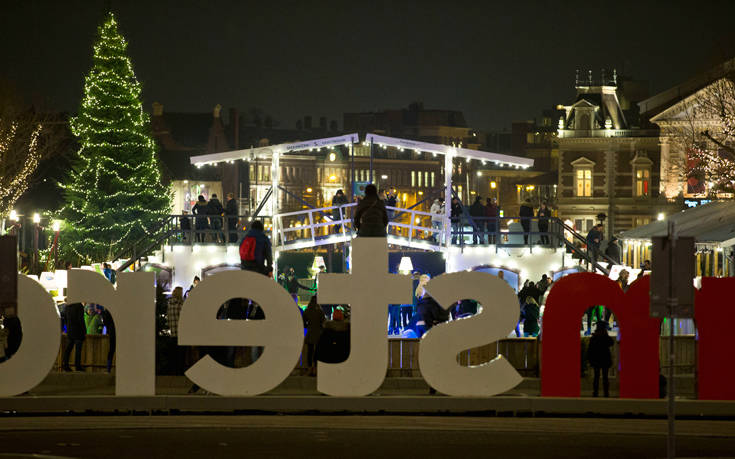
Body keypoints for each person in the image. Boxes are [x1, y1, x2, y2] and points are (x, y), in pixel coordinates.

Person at [587, 321, 614, 397]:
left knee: (596, 377)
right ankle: (606, 392)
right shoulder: (605, 337)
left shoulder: (594, 337)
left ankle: (595, 392)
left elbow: (590, 349)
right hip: (605, 359)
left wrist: (590, 359)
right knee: (605, 377)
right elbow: (611, 342)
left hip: (596, 359)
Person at [303, 295, 326, 376]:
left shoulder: (307, 310)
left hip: (310, 334)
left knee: (310, 352)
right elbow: (323, 322)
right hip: (318, 335)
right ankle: (315, 369)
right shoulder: (320, 311)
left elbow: (304, 322)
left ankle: (309, 368)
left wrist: (308, 326)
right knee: (317, 353)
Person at [62, 301, 86, 372]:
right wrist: (84, 330)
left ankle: (65, 365)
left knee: (68, 349)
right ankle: (77, 366)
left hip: (70, 331)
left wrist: (68, 327)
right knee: (78, 350)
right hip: (78, 331)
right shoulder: (79, 306)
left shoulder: (67, 306)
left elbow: (65, 319)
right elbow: (81, 320)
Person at [167, 286, 186, 375]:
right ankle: (180, 372)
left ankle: (174, 371)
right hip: (181, 334)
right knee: (181, 355)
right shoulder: (180, 305)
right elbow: (183, 318)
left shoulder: (169, 304)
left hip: (172, 333)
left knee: (174, 354)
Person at [100, 306, 116, 372]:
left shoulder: (106, 311)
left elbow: (105, 322)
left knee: (111, 350)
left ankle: (108, 369)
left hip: (111, 332)